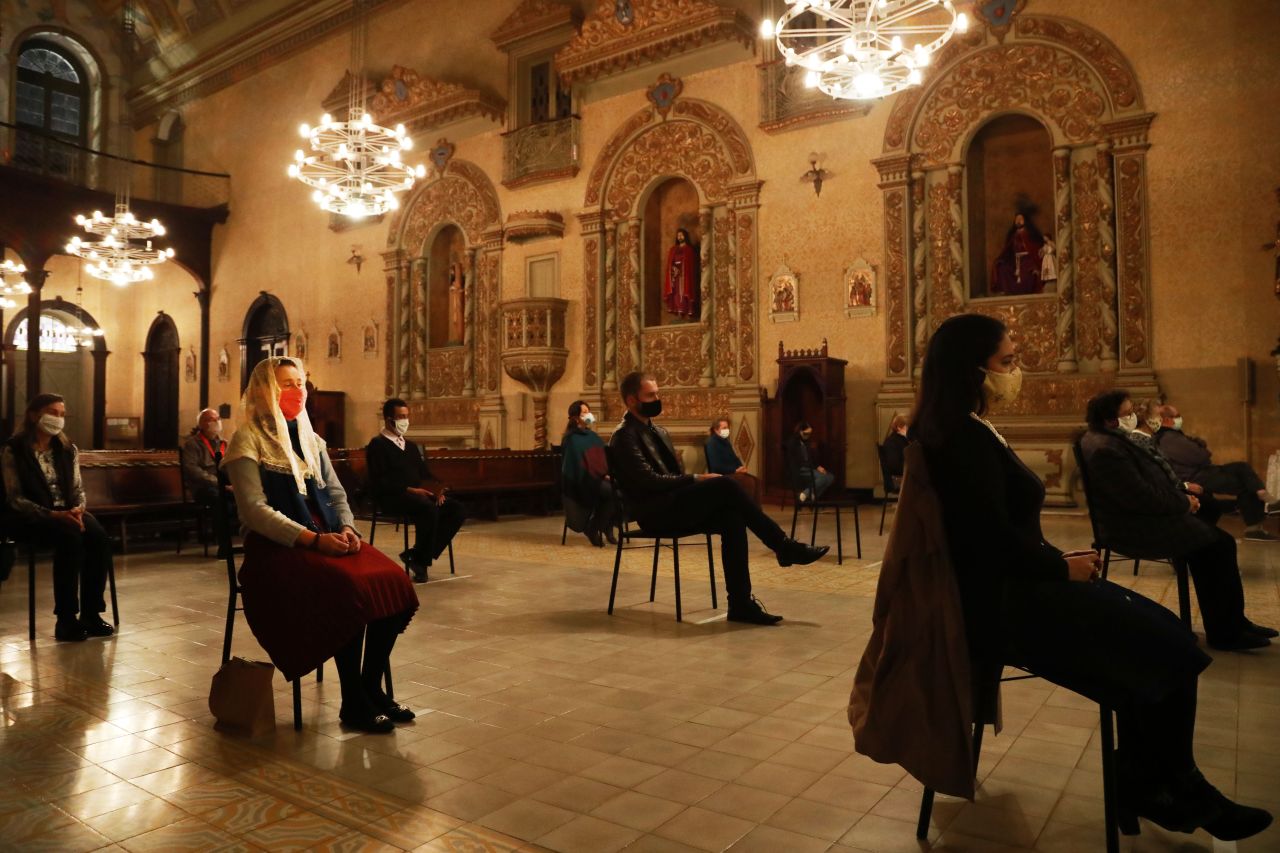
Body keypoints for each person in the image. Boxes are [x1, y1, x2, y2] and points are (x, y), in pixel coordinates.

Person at [908, 314, 1270, 841]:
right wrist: (1058, 567)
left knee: (1170, 635)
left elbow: (1002, 527)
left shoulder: (965, 428)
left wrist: (1057, 558)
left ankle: (1152, 782)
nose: (1016, 371)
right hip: (1002, 607)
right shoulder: (958, 438)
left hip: (1021, 584)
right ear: (971, 368)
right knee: (1166, 650)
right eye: (1008, 362)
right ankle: (1169, 789)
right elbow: (983, 543)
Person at [225, 359, 418, 733]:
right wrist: (313, 540)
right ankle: (353, 702)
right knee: (349, 591)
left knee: (394, 582)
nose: (297, 391)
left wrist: (347, 527)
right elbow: (255, 511)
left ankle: (370, 687)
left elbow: (334, 490)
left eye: (301, 383)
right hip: (277, 549)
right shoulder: (246, 439)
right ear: (265, 390)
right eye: (286, 384)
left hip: (328, 534)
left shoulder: (312, 440)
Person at [608, 372, 827, 625]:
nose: (657, 399)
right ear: (631, 400)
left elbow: (671, 476)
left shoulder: (658, 430)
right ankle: (782, 546)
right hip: (654, 513)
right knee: (724, 484)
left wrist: (692, 481)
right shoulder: (623, 436)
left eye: (658, 393)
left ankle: (741, 604)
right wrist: (696, 479)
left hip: (672, 503)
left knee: (731, 518)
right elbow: (649, 481)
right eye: (651, 395)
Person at [1081, 389, 1271, 651]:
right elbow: (1141, 496)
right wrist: (1183, 502)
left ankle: (1234, 623)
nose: (1134, 417)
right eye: (1127, 413)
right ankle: (1226, 631)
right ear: (1111, 420)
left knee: (1215, 539)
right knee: (1218, 545)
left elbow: (1147, 485)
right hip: (1133, 527)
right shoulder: (1106, 449)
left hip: (1144, 516)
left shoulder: (1109, 440)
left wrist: (1180, 495)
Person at [1, 393, 114, 642]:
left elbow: (77, 488)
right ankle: (66, 619)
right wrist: (54, 515)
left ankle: (91, 613)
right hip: (30, 516)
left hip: (68, 512)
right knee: (70, 538)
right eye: (53, 412)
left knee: (98, 537)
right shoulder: (14, 449)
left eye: (62, 414)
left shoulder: (66, 449)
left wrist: (77, 510)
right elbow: (14, 498)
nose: (58, 419)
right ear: (34, 414)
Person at [366, 398, 466, 581]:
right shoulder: (377, 445)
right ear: (389, 420)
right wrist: (411, 490)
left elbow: (425, 473)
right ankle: (421, 561)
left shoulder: (411, 447)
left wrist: (438, 489)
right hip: (392, 497)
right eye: (400, 417)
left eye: (407, 416)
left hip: (419, 495)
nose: (405, 421)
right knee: (427, 508)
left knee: (456, 509)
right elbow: (380, 481)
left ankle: (417, 556)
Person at [1155, 404, 1279, 541]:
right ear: (1166, 420)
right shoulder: (1169, 438)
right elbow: (1200, 456)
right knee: (1246, 484)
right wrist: (1201, 447)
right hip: (1196, 476)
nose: (1179, 419)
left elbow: (1198, 450)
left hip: (1203, 470)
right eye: (1177, 416)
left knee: (1241, 467)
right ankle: (1254, 526)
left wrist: (1199, 446)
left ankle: (1262, 495)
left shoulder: (1173, 435)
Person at [1127, 399, 1220, 527]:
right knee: (1211, 506)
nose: (1160, 419)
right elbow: (1159, 475)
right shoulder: (1140, 441)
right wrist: (1185, 491)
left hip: (1167, 488)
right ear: (1147, 418)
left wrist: (1185, 486)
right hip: (1160, 495)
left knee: (1207, 498)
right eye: (1158, 415)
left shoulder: (1148, 438)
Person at [561, 400, 620, 547]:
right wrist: (601, 475)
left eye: (589, 411)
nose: (589, 415)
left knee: (621, 490)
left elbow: (603, 457)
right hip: (583, 481)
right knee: (613, 492)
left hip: (599, 478)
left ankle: (606, 525)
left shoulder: (592, 435)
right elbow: (577, 465)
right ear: (575, 418)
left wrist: (608, 472)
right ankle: (594, 528)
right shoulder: (571, 438)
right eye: (584, 412)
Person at [180, 408, 236, 556]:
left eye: (218, 418)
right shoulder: (193, 444)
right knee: (220, 501)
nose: (217, 421)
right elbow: (193, 470)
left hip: (225, 486)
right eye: (212, 419)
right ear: (202, 424)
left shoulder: (224, 443)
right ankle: (224, 546)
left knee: (246, 498)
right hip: (204, 488)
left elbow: (231, 465)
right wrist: (219, 484)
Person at [704, 417, 761, 505]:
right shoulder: (712, 443)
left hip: (733, 472)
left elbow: (735, 458)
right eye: (724, 428)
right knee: (749, 482)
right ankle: (746, 511)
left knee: (756, 480)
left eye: (727, 428)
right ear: (716, 430)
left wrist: (741, 468)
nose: (727, 430)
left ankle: (757, 511)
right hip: (721, 475)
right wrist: (735, 470)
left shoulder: (725, 442)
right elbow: (716, 466)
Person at [991, 211, 1047, 295]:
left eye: (1020, 219)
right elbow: (1007, 250)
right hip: (1014, 262)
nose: (1018, 221)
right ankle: (1008, 292)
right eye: (1017, 219)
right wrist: (1000, 260)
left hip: (1027, 261)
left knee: (1030, 275)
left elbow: (1034, 249)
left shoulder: (1030, 234)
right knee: (1002, 268)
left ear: (1025, 221)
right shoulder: (1012, 235)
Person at [784, 421, 832, 502]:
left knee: (830, 477)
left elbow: (810, 459)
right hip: (800, 469)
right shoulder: (793, 442)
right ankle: (806, 494)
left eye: (809, 434)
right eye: (806, 434)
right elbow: (797, 461)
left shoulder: (807, 442)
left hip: (809, 467)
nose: (808, 436)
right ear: (800, 431)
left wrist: (818, 467)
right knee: (823, 477)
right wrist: (813, 467)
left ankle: (811, 495)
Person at [880, 414, 909, 490]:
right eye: (907, 427)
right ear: (899, 427)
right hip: (897, 478)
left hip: (904, 475)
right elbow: (894, 466)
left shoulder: (902, 440)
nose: (909, 429)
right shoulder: (892, 442)